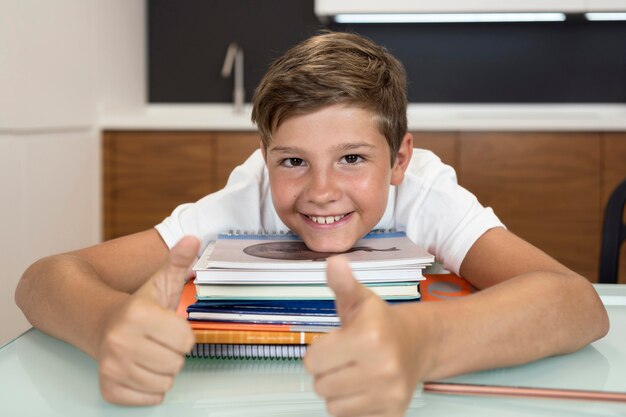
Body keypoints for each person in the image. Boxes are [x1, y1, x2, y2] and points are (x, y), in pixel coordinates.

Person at [15, 31, 608, 416]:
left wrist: (422, 341)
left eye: (353, 158)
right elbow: (44, 279)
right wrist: (106, 326)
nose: (321, 191)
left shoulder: (424, 190)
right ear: (265, 158)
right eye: (293, 161)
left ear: (399, 159)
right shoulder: (248, 195)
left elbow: (575, 302)